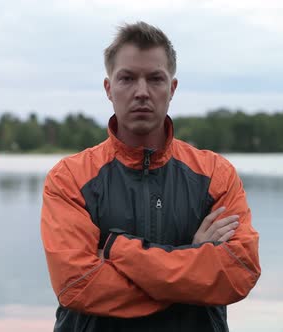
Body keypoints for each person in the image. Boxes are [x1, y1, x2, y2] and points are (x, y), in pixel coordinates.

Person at [40, 21, 261, 331]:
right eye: (127, 78)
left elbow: (239, 271)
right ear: (109, 88)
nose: (141, 92)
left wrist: (117, 251)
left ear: (171, 89)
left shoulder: (215, 175)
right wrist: (195, 259)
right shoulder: (69, 179)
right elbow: (78, 284)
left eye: (155, 79)